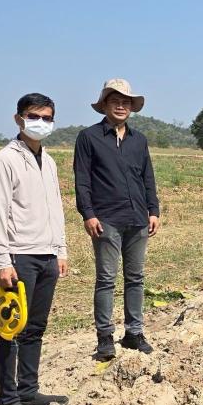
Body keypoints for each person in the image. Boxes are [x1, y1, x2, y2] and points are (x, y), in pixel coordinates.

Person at [0, 93, 69, 405]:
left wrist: (60, 250)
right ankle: (8, 401)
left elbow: (56, 207)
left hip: (47, 254)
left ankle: (29, 390)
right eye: (34, 117)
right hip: (20, 256)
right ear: (18, 119)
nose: (41, 123)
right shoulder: (4, 160)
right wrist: (2, 260)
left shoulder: (49, 161)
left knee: (35, 327)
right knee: (11, 329)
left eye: (47, 118)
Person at [73, 78, 161, 361]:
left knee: (135, 278)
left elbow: (148, 178)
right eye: (115, 101)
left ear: (131, 107)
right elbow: (82, 180)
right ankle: (105, 337)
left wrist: (154, 210)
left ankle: (134, 333)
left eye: (126, 102)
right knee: (106, 279)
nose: (121, 106)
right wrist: (88, 214)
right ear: (104, 106)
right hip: (106, 219)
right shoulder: (88, 138)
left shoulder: (139, 140)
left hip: (137, 218)